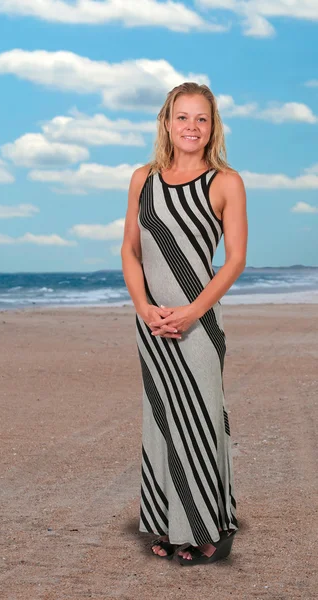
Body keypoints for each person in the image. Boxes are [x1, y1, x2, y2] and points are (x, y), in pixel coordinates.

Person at [121, 82, 247, 566]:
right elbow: (130, 251)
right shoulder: (142, 179)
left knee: (199, 418)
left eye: (201, 119)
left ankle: (201, 528)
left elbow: (234, 260)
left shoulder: (225, 182)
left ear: (212, 127)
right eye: (183, 117)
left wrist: (193, 311)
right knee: (162, 419)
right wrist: (143, 306)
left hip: (199, 322)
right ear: (166, 122)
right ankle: (165, 521)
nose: (191, 127)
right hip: (151, 323)